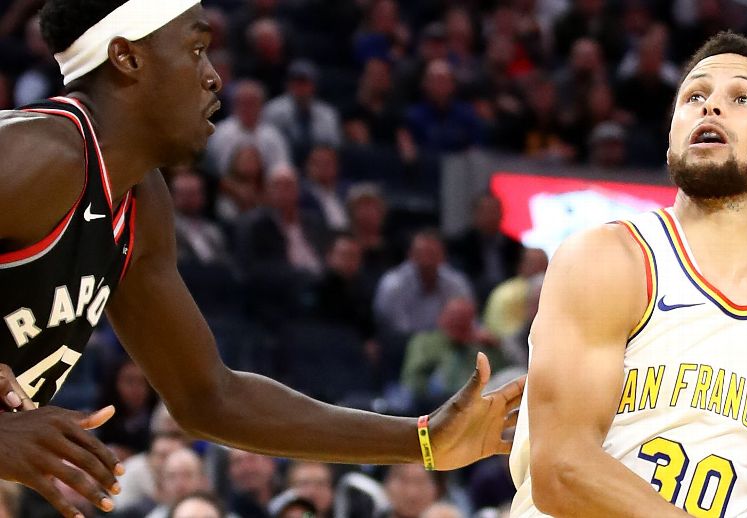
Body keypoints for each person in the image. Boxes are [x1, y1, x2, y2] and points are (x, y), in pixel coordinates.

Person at [0, 3, 523, 517]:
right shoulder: (37, 154)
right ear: (127, 57)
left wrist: (424, 439)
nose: (213, 77)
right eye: (196, 49)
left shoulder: (138, 198)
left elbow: (210, 397)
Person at [508, 32, 747, 517]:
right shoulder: (610, 260)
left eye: (741, 98)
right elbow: (562, 470)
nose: (710, 107)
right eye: (694, 96)